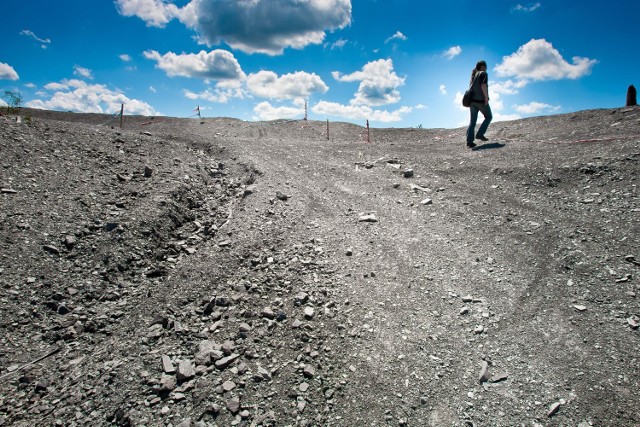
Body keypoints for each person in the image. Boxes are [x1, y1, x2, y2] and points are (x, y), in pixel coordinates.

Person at [466, 60, 492, 148]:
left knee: (472, 121)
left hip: (472, 102)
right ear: (482, 66)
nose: (486, 68)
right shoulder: (483, 74)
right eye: (486, 66)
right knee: (489, 116)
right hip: (480, 100)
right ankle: (480, 134)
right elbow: (483, 85)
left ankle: (469, 142)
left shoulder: (473, 75)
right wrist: (486, 97)